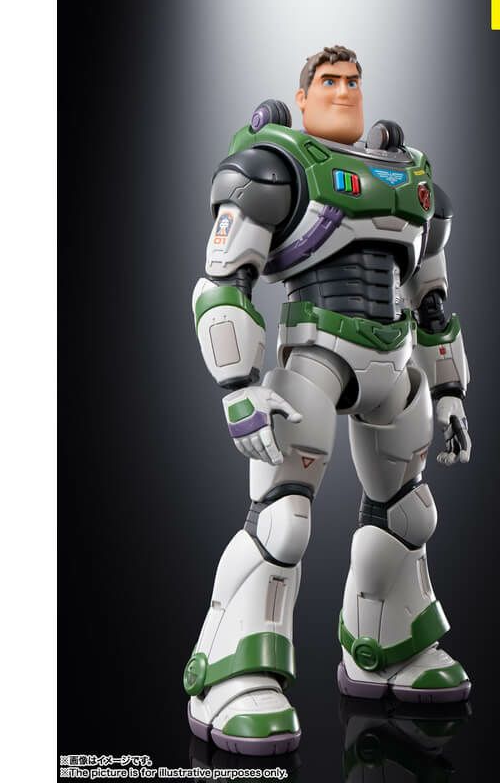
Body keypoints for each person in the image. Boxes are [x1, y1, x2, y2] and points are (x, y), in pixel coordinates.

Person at [184, 45, 473, 756]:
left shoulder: (411, 178)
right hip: (315, 357)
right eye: (329, 81)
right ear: (303, 95)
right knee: (283, 519)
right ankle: (231, 673)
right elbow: (223, 281)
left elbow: (432, 300)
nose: (344, 90)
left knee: (408, 511)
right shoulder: (276, 163)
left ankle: (387, 647)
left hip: (395, 365)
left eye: (353, 81)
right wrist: (238, 388)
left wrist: (449, 392)